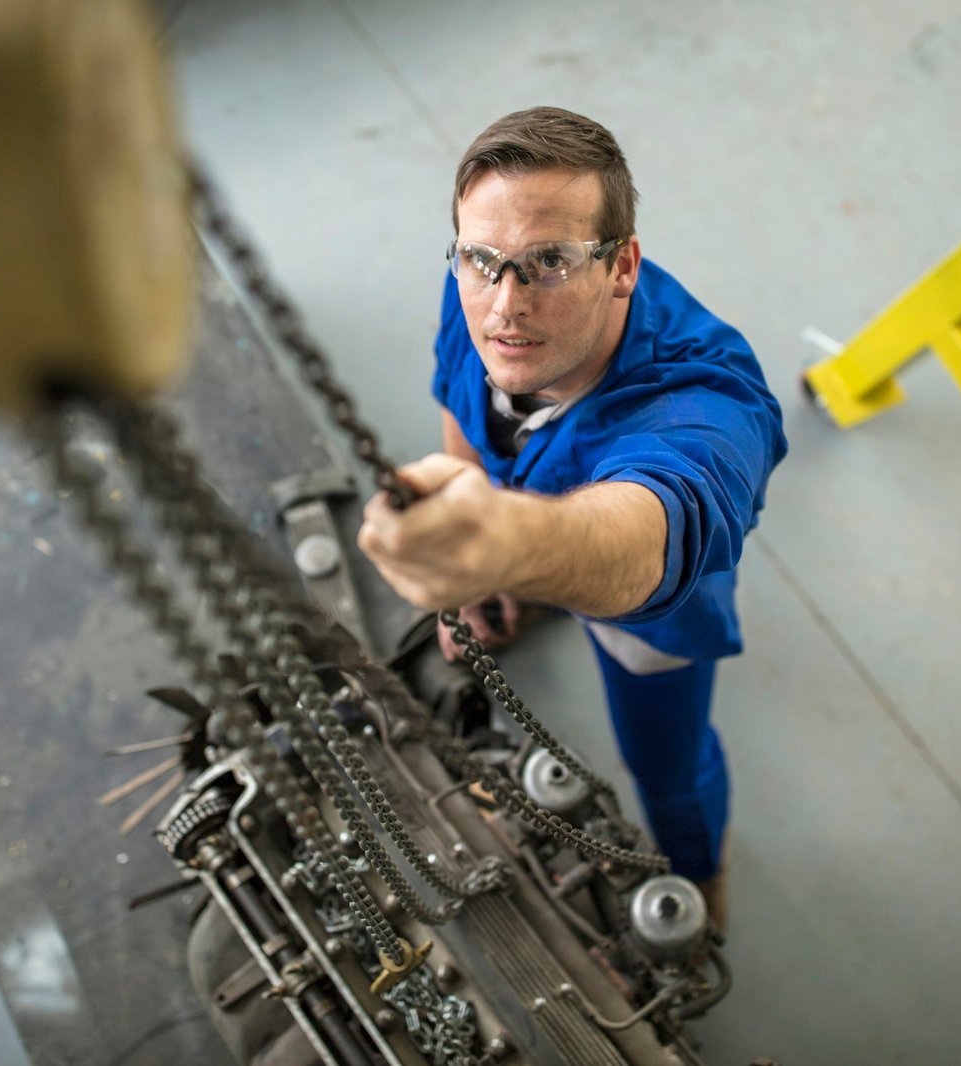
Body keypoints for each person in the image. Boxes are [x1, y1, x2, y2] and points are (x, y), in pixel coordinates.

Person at [358, 106, 786, 926]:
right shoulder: (479, 295)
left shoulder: (707, 398)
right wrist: (476, 545)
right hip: (525, 542)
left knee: (666, 764)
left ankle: (701, 876)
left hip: (644, 616)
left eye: (549, 262)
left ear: (622, 266)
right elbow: (461, 413)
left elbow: (652, 533)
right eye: (481, 260)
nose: (504, 307)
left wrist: (503, 544)